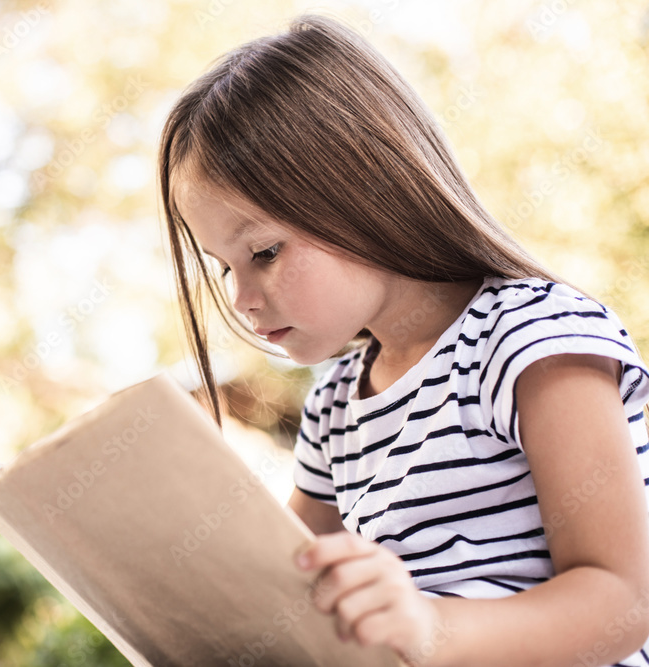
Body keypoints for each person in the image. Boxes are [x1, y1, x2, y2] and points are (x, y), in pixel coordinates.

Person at [157, 14, 649, 667]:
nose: (241, 297)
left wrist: (428, 627)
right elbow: (283, 592)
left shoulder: (530, 339)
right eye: (225, 266)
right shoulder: (336, 403)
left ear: (368, 189)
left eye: (265, 251)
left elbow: (622, 603)